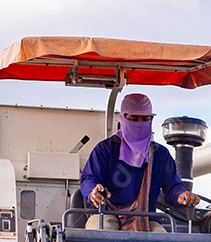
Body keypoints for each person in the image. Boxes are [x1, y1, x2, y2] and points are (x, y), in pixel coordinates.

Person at [80, 93, 200, 233]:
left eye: (145, 119)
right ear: (123, 118)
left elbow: (173, 187)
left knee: (163, 241)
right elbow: (89, 178)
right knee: (104, 235)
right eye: (134, 119)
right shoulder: (106, 149)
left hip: (146, 217)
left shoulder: (160, 154)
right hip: (105, 214)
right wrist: (93, 192)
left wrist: (181, 196)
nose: (139, 124)